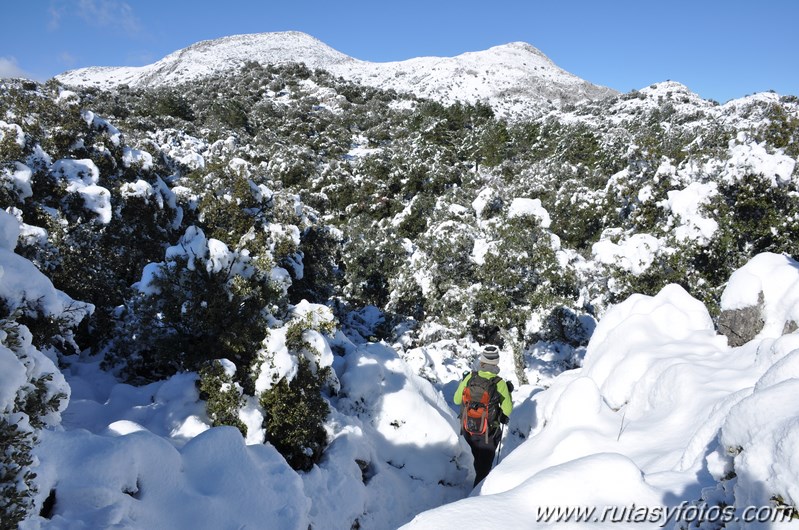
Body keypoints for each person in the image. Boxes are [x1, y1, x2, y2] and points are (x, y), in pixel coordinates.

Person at [453, 344, 513, 487]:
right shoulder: (499, 383)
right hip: (488, 432)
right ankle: (478, 497)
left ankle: (476, 492)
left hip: (468, 427)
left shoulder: (469, 378)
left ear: (482, 361)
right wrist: (508, 392)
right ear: (496, 363)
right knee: (484, 468)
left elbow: (456, 400)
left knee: (476, 460)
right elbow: (508, 410)